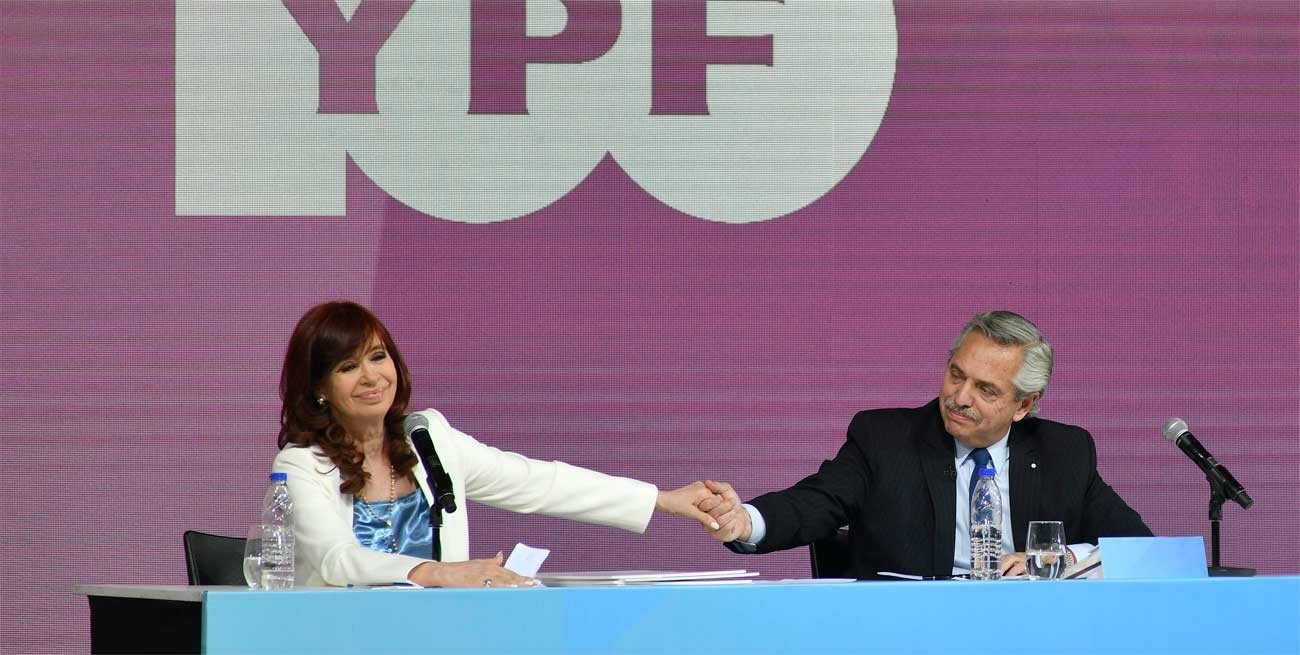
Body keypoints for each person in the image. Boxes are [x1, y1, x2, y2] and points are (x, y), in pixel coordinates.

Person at [273, 301, 722, 588]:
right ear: (319, 388)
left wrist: (662, 500)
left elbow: (539, 483)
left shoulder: (428, 439)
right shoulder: (300, 466)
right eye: (348, 367)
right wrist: (443, 573)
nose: (372, 377)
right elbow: (336, 560)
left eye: (378, 357)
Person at [697, 311, 1152, 578]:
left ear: (1024, 404)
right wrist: (746, 521)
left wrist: (1057, 560)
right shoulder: (884, 440)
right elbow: (815, 502)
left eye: (985, 389)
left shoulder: (1064, 452)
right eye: (956, 374)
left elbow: (1141, 550)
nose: (960, 397)